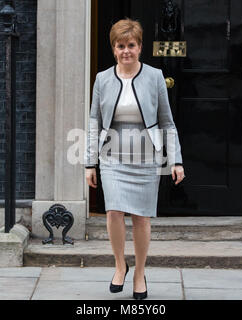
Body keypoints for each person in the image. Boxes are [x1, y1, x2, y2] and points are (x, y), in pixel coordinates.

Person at [84, 18, 185, 300]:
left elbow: (167, 122)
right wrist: (89, 163)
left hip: (146, 158)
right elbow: (95, 121)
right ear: (113, 49)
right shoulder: (103, 79)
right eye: (120, 46)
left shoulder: (154, 77)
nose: (126, 50)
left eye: (131, 45)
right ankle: (120, 265)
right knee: (114, 212)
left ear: (140, 47)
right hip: (112, 156)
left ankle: (139, 271)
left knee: (141, 218)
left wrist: (175, 160)